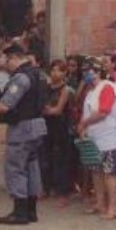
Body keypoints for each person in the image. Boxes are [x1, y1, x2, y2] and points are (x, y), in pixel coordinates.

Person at [0, 43, 48, 224]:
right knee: (32, 167)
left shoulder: (21, 78)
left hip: (22, 128)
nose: (6, 65)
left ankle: (19, 212)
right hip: (38, 126)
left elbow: (5, 106)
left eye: (7, 61)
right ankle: (31, 211)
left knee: (15, 168)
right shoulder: (39, 74)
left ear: (14, 58)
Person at [77, 56, 116, 220]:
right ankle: (100, 203)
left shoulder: (107, 87)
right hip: (93, 137)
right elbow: (87, 113)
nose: (85, 74)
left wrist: (84, 123)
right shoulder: (90, 91)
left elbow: (103, 112)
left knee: (109, 174)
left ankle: (112, 208)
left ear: (97, 71)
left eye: (88, 71)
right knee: (96, 172)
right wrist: (83, 128)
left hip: (107, 138)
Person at [42, 59, 76, 203]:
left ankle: (63, 191)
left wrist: (48, 109)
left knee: (62, 159)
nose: (55, 73)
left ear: (65, 73)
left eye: (59, 70)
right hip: (47, 127)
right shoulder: (46, 87)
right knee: (45, 158)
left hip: (62, 127)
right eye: (53, 69)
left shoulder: (66, 89)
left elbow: (57, 110)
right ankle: (46, 188)